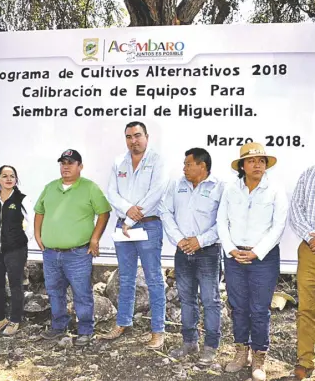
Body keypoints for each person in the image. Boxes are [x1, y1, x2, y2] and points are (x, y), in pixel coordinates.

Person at [217, 142, 288, 381]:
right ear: (242, 166)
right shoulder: (230, 189)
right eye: (251, 161)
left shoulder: (275, 190)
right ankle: (241, 352)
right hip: (235, 257)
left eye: (261, 161)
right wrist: (230, 249)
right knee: (238, 307)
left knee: (259, 309)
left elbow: (278, 226)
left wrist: (257, 251)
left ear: (266, 165)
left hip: (263, 258)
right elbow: (221, 222)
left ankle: (259, 356)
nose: (257, 165)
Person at [100, 121, 168, 350]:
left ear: (147, 136)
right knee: (126, 278)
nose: (133, 141)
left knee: (154, 280)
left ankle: (158, 330)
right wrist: (127, 213)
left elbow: (157, 192)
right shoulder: (119, 162)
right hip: (124, 228)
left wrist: (131, 218)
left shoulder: (158, 160)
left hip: (147, 226)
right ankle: (123, 323)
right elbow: (112, 192)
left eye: (137, 135)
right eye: (129, 136)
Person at [34, 149, 111, 346]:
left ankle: (85, 330)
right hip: (51, 253)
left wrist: (95, 239)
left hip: (78, 254)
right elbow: (39, 211)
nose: (66, 166)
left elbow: (104, 213)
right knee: (54, 291)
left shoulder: (90, 188)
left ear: (80, 166)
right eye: (63, 163)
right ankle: (59, 326)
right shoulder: (50, 187)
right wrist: (37, 234)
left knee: (82, 292)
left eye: (71, 162)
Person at [160, 148, 224, 365]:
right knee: (186, 299)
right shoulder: (177, 185)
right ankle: (189, 342)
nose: (184, 168)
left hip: (208, 252)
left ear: (202, 166)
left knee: (210, 300)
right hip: (182, 251)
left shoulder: (219, 187)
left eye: (188, 164)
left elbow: (223, 222)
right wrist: (180, 240)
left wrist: (200, 240)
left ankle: (210, 346)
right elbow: (165, 211)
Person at [0, 165, 34, 336]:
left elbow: (32, 223)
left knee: (15, 285)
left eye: (12, 176)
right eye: (4, 176)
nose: (9, 179)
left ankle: (15, 320)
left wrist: (20, 239)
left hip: (15, 250)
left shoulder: (22, 199)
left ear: (16, 179)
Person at [288, 164, 315, 380]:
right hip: (311, 249)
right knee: (307, 308)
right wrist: (312, 237)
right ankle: (305, 362)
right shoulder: (309, 174)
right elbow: (296, 211)